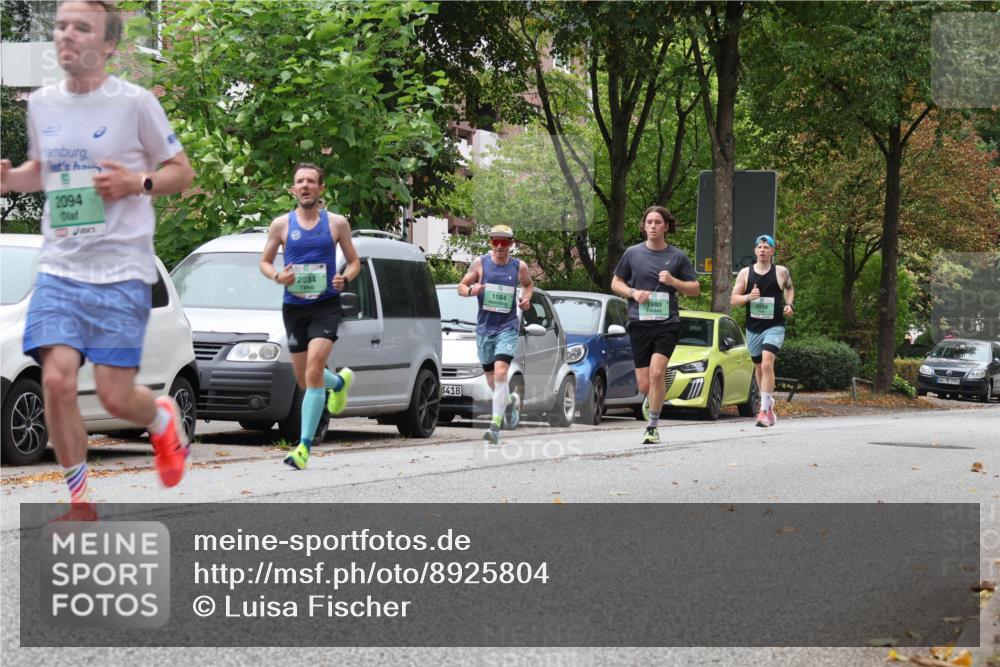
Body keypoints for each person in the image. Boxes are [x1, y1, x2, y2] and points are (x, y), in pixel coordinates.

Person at [0, 0, 195, 517]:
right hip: (61, 267)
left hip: (122, 270)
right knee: (57, 379)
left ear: (108, 45)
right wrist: (9, 179)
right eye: (61, 25)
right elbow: (42, 170)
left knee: (113, 396)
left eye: (80, 28)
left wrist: (138, 182)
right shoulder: (42, 102)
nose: (66, 35)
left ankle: (158, 418)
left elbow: (182, 172)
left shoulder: (135, 104)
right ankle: (80, 500)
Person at [260, 163, 360, 470]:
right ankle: (339, 384)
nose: (304, 186)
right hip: (294, 308)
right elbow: (264, 262)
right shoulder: (281, 225)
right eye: (299, 182)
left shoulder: (336, 224)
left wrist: (345, 278)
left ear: (320, 189)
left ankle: (303, 447)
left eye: (310, 181)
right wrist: (278, 276)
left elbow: (355, 262)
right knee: (306, 379)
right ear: (293, 189)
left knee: (314, 370)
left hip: (326, 306)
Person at [611, 206, 700, 445]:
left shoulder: (677, 257)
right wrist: (632, 292)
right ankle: (651, 398)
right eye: (649, 222)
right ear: (644, 226)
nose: (652, 226)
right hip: (639, 323)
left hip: (667, 323)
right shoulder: (632, 253)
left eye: (657, 222)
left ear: (666, 226)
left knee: (658, 371)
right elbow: (615, 282)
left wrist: (674, 281)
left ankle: (652, 426)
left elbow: (695, 289)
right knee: (645, 384)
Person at [458, 224, 533, 445]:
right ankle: (507, 403)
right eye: (495, 241)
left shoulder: (519, 267)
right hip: (484, 330)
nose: (500, 246)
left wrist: (526, 300)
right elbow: (461, 286)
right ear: (490, 242)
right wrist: (472, 290)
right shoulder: (480, 264)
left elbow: (528, 285)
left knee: (501, 375)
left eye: (504, 242)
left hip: (508, 328)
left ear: (511, 244)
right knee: (493, 381)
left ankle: (495, 426)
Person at [730, 234, 795, 427]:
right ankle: (768, 401)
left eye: (767, 247)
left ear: (772, 251)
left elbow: (789, 288)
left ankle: (764, 410)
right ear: (755, 250)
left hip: (774, 326)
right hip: (753, 328)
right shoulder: (745, 273)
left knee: (767, 364)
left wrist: (789, 304)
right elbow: (734, 299)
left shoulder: (781, 272)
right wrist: (749, 296)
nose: (763, 250)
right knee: (758, 367)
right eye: (760, 247)